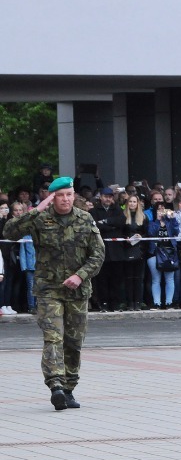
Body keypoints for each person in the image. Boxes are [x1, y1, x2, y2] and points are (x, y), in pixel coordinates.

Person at [3, 176, 105, 410]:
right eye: (60, 195)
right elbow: (10, 232)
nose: (66, 199)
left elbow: (98, 254)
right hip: (48, 289)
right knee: (53, 337)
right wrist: (35, 210)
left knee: (74, 341)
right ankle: (56, 385)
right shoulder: (40, 219)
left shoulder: (85, 219)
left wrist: (80, 275)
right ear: (52, 197)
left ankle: (69, 388)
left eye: (69, 195)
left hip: (77, 291)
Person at [146, 202, 180, 309]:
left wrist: (173, 218)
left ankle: (169, 302)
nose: (161, 211)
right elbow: (151, 233)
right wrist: (157, 220)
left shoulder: (170, 222)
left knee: (169, 279)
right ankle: (157, 303)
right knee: (156, 279)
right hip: (155, 253)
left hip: (169, 254)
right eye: (159, 209)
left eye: (163, 209)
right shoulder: (152, 223)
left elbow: (176, 231)